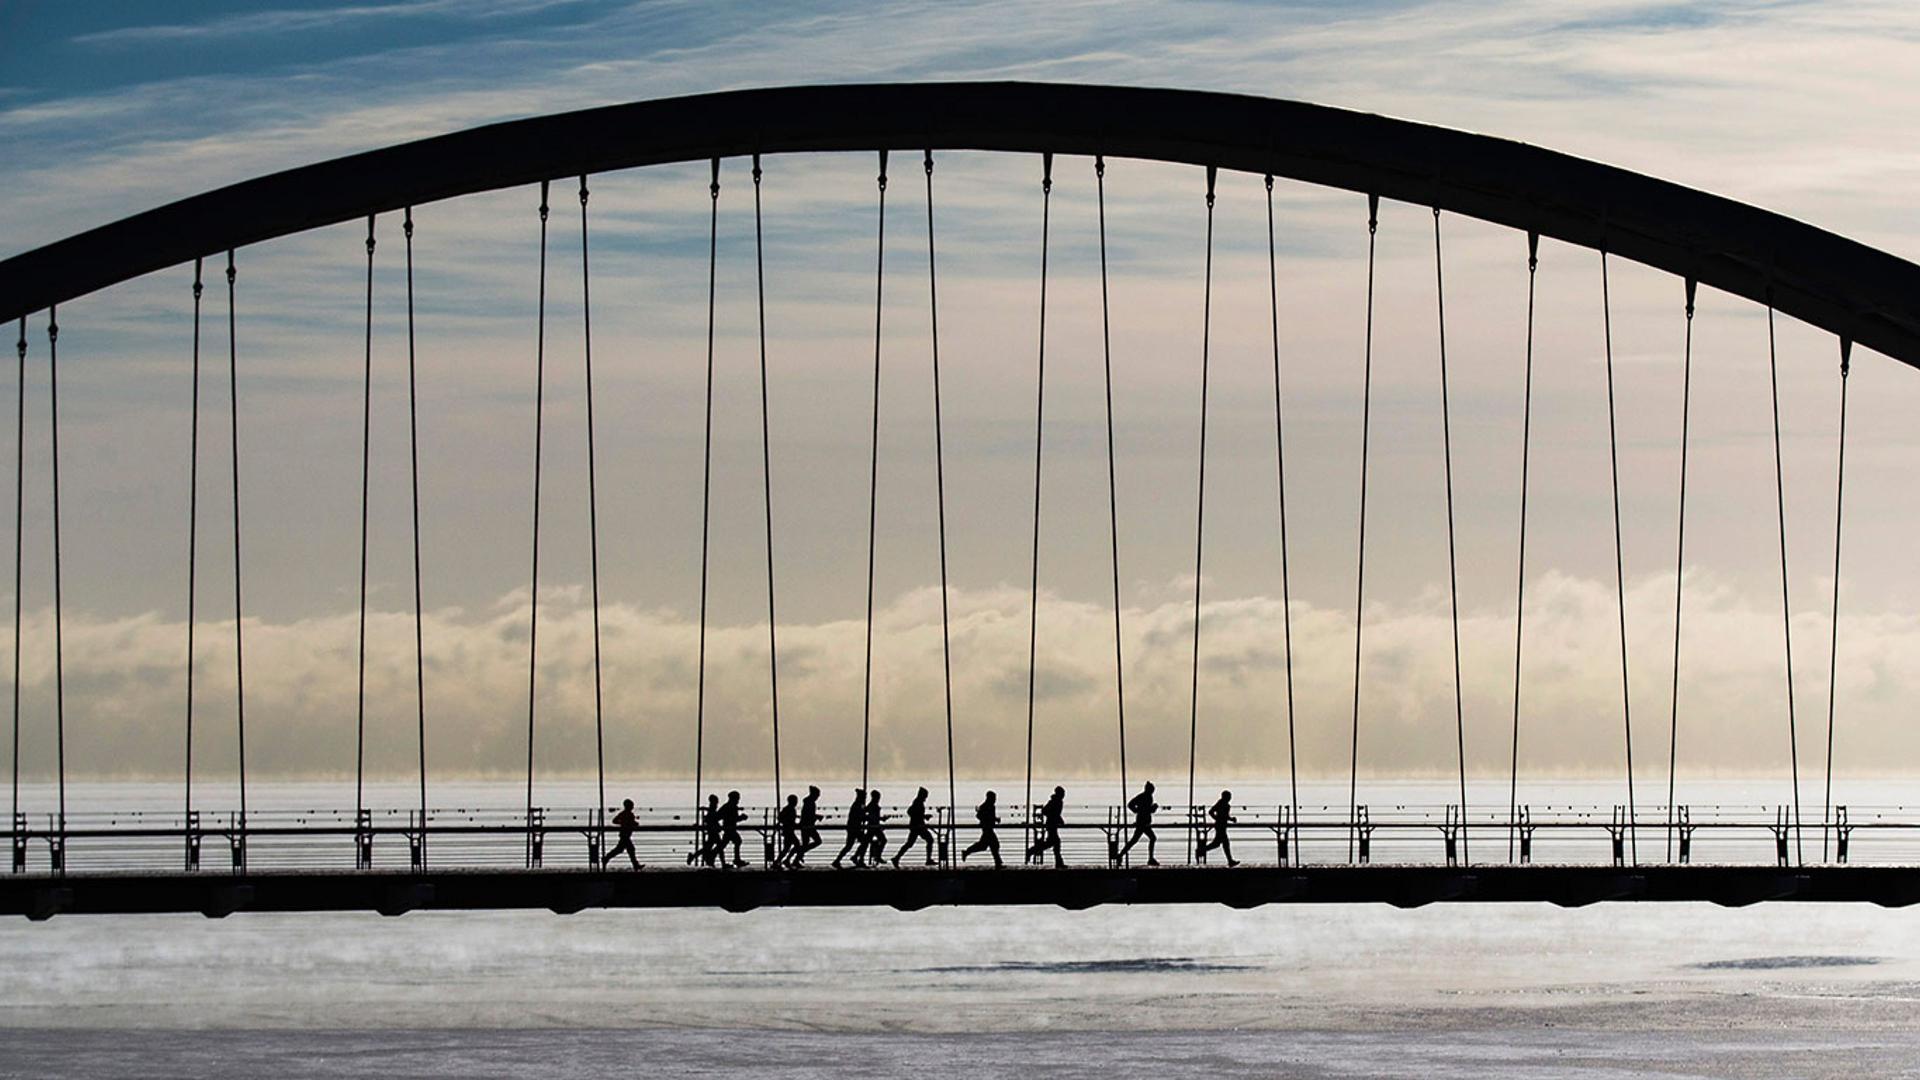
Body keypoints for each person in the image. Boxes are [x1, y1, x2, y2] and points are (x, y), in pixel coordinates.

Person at [892, 787, 937, 867]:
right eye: (925, 796)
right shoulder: (918, 802)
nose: (926, 798)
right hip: (918, 826)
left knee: (910, 843)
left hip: (917, 826)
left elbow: (914, 813)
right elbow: (911, 812)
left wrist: (923, 817)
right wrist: (923, 817)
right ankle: (928, 859)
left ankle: (897, 858)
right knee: (929, 840)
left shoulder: (917, 802)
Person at [1118, 781, 1160, 866]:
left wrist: (1144, 810)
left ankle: (1121, 855)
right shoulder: (1144, 796)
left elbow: (1145, 809)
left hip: (1143, 822)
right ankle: (1150, 859)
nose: (1153, 791)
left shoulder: (1147, 796)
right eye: (1152, 790)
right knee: (1151, 838)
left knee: (1135, 840)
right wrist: (1138, 810)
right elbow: (1131, 805)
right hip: (1142, 822)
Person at [1026, 786, 1066, 868]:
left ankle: (1032, 851)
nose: (1063, 795)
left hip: (1052, 825)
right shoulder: (1054, 801)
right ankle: (1032, 851)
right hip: (1051, 825)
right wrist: (1055, 817)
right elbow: (1045, 811)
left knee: (1052, 843)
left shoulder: (1058, 801)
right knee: (1055, 843)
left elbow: (1056, 814)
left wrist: (1058, 819)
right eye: (1062, 793)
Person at [961, 790, 1003, 868]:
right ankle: (998, 862)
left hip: (988, 829)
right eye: (994, 798)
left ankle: (967, 852)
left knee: (984, 846)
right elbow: (979, 815)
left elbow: (985, 816)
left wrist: (994, 819)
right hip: (987, 829)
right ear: (989, 798)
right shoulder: (986, 806)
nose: (995, 800)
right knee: (994, 845)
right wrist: (990, 819)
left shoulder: (989, 806)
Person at [1198, 789, 1239, 867]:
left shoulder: (1225, 804)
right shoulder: (1221, 803)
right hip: (1220, 826)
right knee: (1223, 844)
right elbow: (1211, 811)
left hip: (1222, 826)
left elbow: (1225, 816)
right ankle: (1201, 850)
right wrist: (1217, 818)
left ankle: (1201, 850)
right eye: (1229, 796)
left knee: (1218, 844)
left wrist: (1230, 819)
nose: (1230, 798)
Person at [832, 788, 867, 869]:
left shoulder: (858, 805)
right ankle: (856, 858)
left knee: (858, 843)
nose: (864, 798)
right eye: (864, 797)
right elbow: (859, 817)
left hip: (854, 828)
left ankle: (842, 859)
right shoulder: (857, 805)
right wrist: (866, 817)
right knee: (857, 844)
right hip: (854, 828)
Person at [602, 798, 640, 870]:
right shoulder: (628, 814)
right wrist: (625, 823)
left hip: (625, 834)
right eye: (631, 805)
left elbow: (615, 821)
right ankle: (635, 865)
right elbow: (616, 821)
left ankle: (606, 858)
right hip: (625, 835)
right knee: (630, 849)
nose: (632, 807)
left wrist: (624, 823)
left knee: (622, 849)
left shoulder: (625, 814)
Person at [689, 793, 723, 867]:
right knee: (719, 847)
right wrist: (718, 826)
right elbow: (713, 819)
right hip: (713, 831)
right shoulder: (713, 808)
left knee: (708, 847)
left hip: (712, 831)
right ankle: (720, 862)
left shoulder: (711, 808)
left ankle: (695, 856)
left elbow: (711, 818)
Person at [793, 785, 824, 866]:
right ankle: (799, 852)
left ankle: (797, 857)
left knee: (806, 843)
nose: (818, 797)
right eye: (817, 795)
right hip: (808, 826)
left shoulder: (808, 802)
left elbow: (807, 814)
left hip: (805, 826)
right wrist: (817, 817)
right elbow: (808, 815)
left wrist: (816, 816)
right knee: (817, 841)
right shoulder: (810, 803)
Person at [718, 790, 748, 868]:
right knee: (737, 841)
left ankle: (712, 856)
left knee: (723, 844)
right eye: (737, 799)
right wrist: (741, 817)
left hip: (728, 828)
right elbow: (733, 819)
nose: (738, 800)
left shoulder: (728, 806)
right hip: (730, 829)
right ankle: (736, 860)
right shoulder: (731, 807)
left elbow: (719, 815)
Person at [863, 790, 890, 866]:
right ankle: (877, 856)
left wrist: (881, 819)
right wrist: (881, 819)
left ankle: (876, 855)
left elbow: (868, 813)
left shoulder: (871, 804)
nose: (879, 798)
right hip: (873, 827)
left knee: (866, 842)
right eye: (878, 797)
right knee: (883, 840)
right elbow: (872, 816)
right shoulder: (872, 805)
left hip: (873, 826)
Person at [775, 793, 800, 867]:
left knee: (787, 848)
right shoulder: (789, 809)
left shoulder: (789, 809)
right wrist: (790, 823)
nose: (796, 802)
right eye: (795, 801)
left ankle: (780, 861)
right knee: (795, 845)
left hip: (788, 830)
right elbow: (783, 818)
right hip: (788, 831)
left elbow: (780, 818)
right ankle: (784, 860)